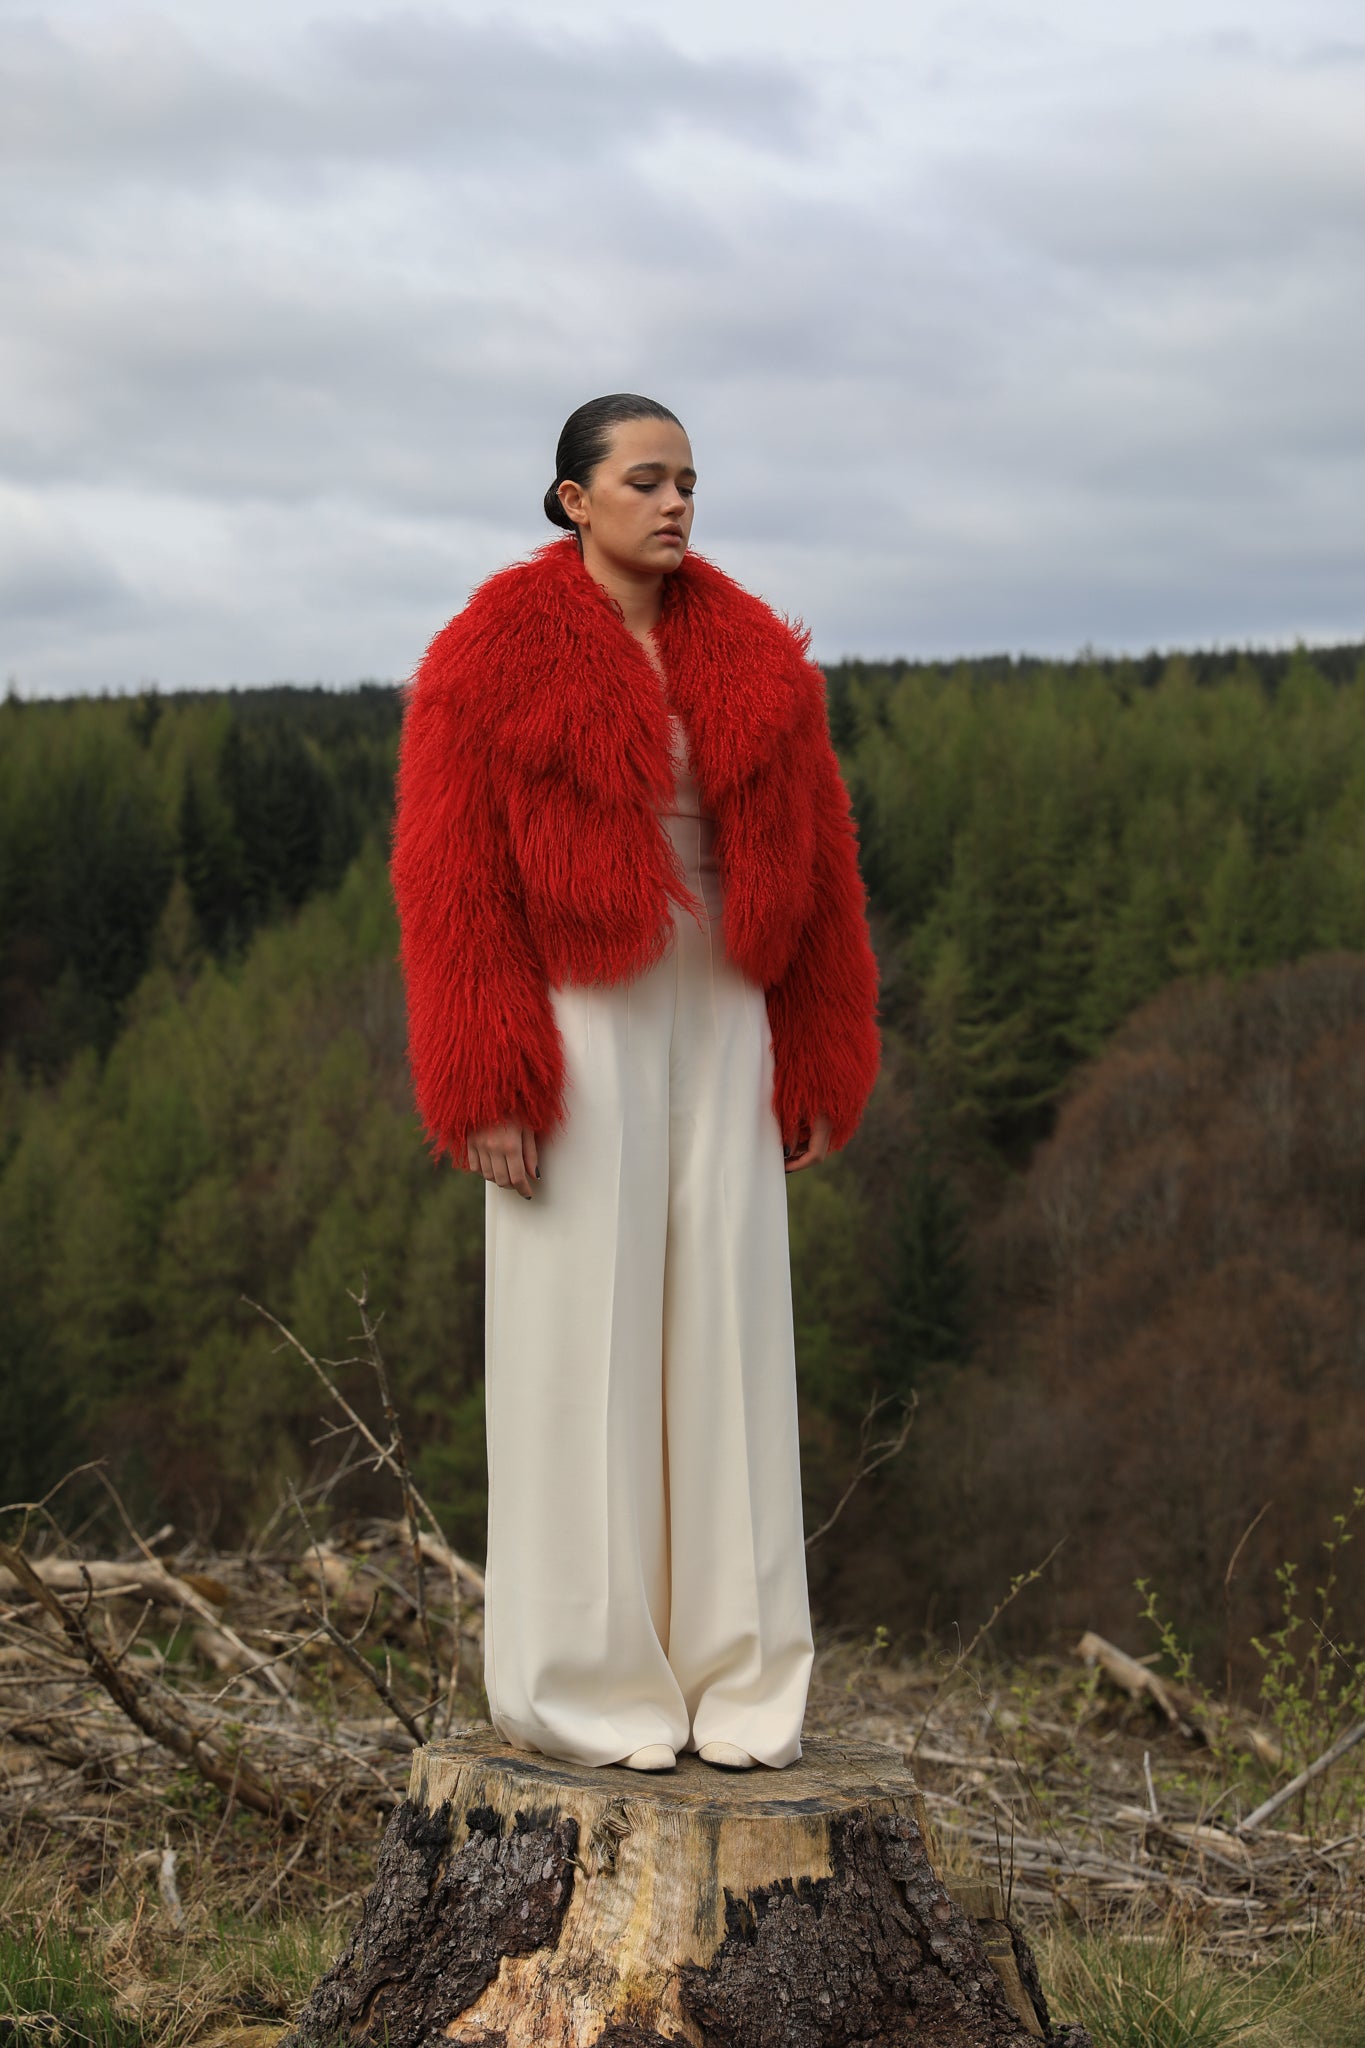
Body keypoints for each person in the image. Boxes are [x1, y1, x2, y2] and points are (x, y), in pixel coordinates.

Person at [391, 394, 880, 1773]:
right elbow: (448, 881)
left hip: (726, 1010)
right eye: (645, 480)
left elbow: (821, 864)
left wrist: (816, 1047)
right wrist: (484, 1075)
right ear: (571, 499)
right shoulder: (488, 653)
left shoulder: (758, 660)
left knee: (729, 1337)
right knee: (573, 1344)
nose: (673, 504)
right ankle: (586, 1685)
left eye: (688, 482)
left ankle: (740, 1683)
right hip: (575, 1021)